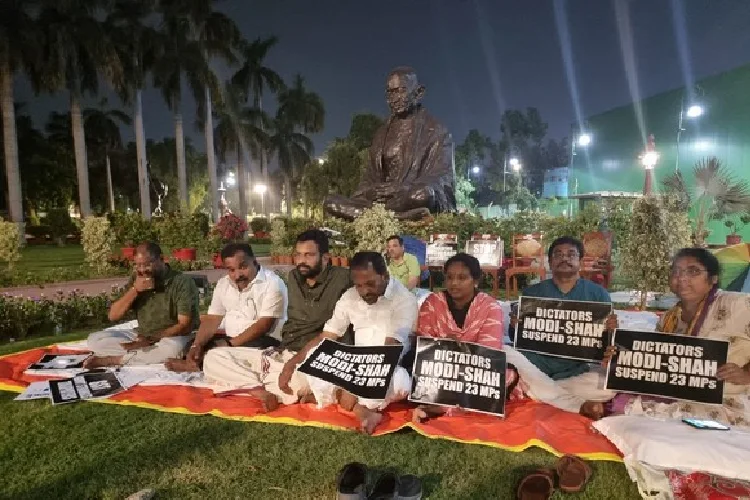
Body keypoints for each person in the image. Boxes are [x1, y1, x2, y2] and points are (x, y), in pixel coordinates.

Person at [581, 248, 750, 427]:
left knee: (649, 413)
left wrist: (746, 374)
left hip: (731, 398)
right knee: (624, 401)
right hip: (682, 392)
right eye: (676, 271)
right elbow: (658, 365)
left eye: (693, 271)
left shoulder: (738, 304)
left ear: (713, 279)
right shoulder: (669, 318)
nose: (682, 278)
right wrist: (620, 361)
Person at [202, 230, 351, 410]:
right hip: (283, 352)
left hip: (315, 355)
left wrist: (293, 362)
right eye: (298, 255)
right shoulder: (295, 277)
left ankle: (250, 381)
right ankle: (261, 391)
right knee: (213, 357)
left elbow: (330, 333)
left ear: (326, 258)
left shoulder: (343, 279)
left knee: (299, 382)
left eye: (309, 255)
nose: (301, 261)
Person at [278, 251, 418, 434]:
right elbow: (326, 336)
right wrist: (291, 364)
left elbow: (389, 350)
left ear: (385, 275)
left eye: (370, 284)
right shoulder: (351, 296)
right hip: (353, 365)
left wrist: (354, 385)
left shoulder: (404, 299)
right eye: (358, 285)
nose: (364, 291)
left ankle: (334, 396)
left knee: (401, 383)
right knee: (313, 356)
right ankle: (362, 409)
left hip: (387, 366)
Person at [324, 66, 456, 221]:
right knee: (330, 202)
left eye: (400, 90)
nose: (394, 98)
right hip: (382, 202)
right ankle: (394, 217)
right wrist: (371, 191)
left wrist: (402, 188)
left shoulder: (436, 131)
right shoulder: (381, 133)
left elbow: (442, 179)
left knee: (422, 194)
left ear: (419, 92)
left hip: (409, 198)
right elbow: (368, 179)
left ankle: (375, 217)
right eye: (390, 92)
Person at [412, 253, 525, 422]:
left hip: (475, 368)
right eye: (449, 277)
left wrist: (460, 351)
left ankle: (441, 406)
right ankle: (455, 403)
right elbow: (423, 343)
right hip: (440, 367)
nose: (454, 283)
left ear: (476, 280)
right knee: (413, 372)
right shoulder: (433, 302)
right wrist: (443, 346)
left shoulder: (489, 306)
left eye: (462, 277)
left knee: (505, 375)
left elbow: (489, 351)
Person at [165, 243, 287, 372]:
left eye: (243, 267)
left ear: (255, 262)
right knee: (192, 346)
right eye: (231, 270)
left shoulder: (272, 283)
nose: (237, 275)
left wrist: (228, 345)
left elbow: (264, 325)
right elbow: (213, 318)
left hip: (264, 340)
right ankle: (202, 362)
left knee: (223, 352)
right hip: (232, 340)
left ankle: (202, 365)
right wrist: (197, 344)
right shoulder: (224, 283)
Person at [515, 236, 617, 380]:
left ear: (580, 262)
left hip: (580, 369)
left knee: (603, 385)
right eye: (558, 255)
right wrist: (515, 326)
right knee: (507, 356)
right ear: (550, 262)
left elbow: (608, 341)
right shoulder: (532, 293)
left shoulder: (598, 294)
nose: (565, 259)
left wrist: (612, 329)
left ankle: (547, 392)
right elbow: (519, 338)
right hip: (536, 366)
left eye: (571, 254)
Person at [84, 242, 199, 368]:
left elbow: (184, 324)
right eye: (138, 265)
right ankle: (142, 355)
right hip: (142, 335)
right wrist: (135, 290)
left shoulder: (182, 282)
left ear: (161, 259)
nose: (143, 270)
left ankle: (115, 360)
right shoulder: (137, 278)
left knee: (173, 350)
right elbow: (113, 316)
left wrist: (150, 339)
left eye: (147, 264)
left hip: (173, 336)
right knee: (95, 340)